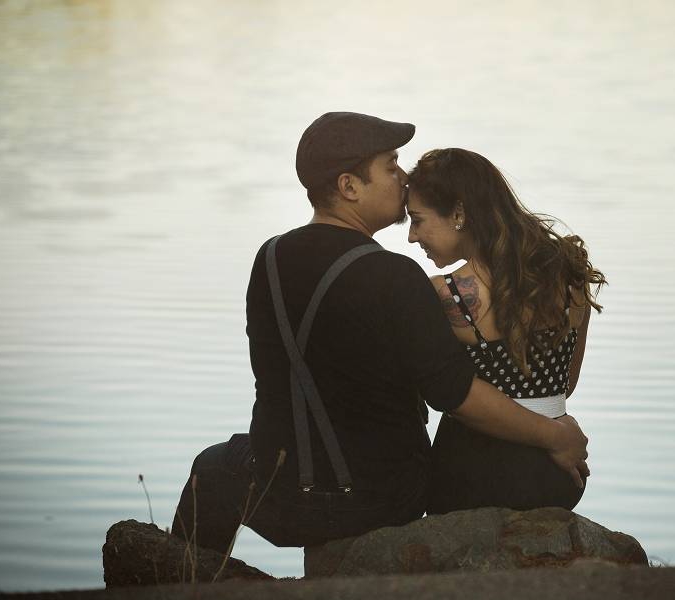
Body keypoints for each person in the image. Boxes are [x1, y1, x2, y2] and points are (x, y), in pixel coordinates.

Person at [171, 113, 589, 554]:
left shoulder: (270, 258)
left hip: (282, 493)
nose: (403, 177)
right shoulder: (396, 277)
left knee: (211, 468)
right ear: (350, 186)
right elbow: (454, 391)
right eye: (390, 165)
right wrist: (553, 433)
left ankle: (186, 582)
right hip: (384, 500)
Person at [406, 148, 606, 515]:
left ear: (459, 213)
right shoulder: (571, 273)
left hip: (471, 472)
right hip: (557, 472)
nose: (412, 237)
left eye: (417, 220)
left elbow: (450, 394)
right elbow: (566, 385)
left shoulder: (445, 294)